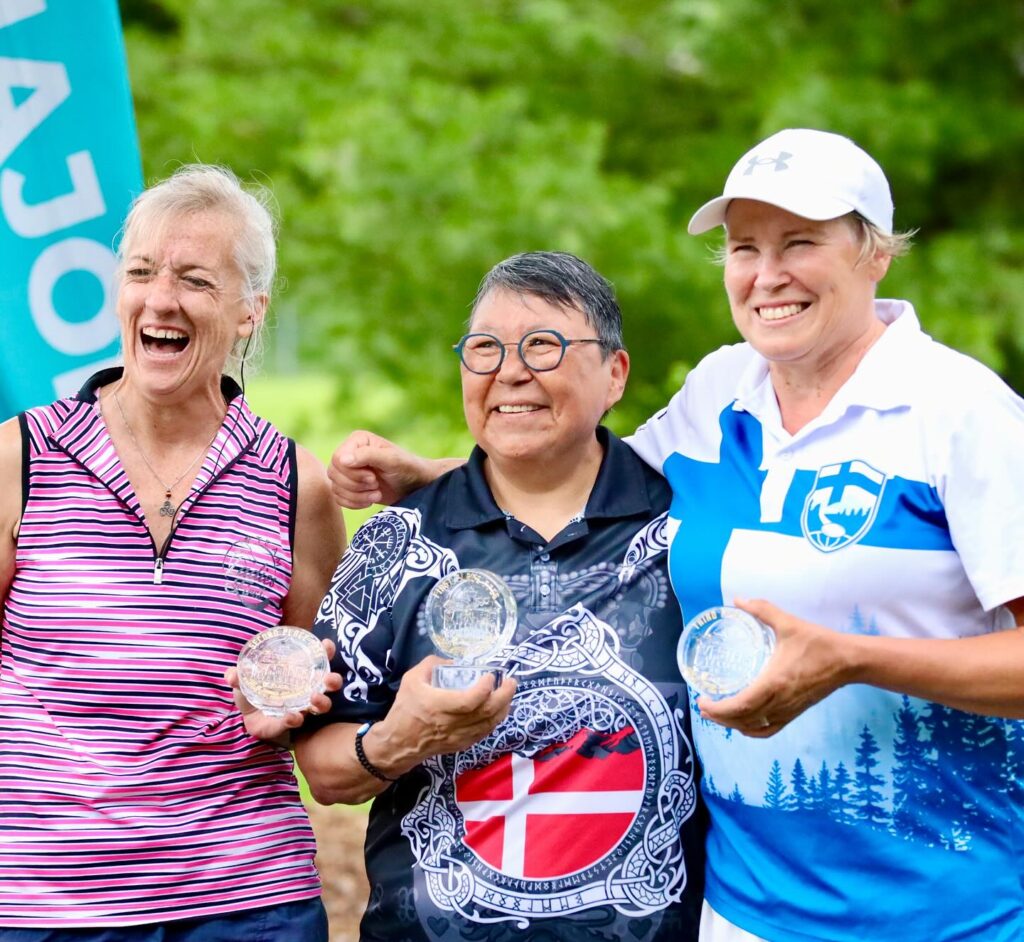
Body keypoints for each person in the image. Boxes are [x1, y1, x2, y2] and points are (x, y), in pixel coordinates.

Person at [327, 130, 1024, 942]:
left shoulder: (961, 414)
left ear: (876, 253)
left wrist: (852, 658)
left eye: (800, 243)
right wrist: (436, 473)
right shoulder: (719, 395)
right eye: (745, 247)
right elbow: (575, 472)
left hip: (946, 914)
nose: (768, 274)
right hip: (741, 913)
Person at [295, 251, 707, 942]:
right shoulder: (395, 544)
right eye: (484, 348)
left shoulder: (689, 535)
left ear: (615, 373)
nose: (509, 372)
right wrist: (398, 739)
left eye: (542, 345)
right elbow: (323, 769)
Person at [0, 165, 346, 939]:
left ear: (250, 311)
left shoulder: (298, 484)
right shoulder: (19, 458)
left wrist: (291, 704)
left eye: (195, 280)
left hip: (246, 901)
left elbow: (317, 686)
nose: (161, 299)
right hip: (43, 901)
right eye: (141, 272)